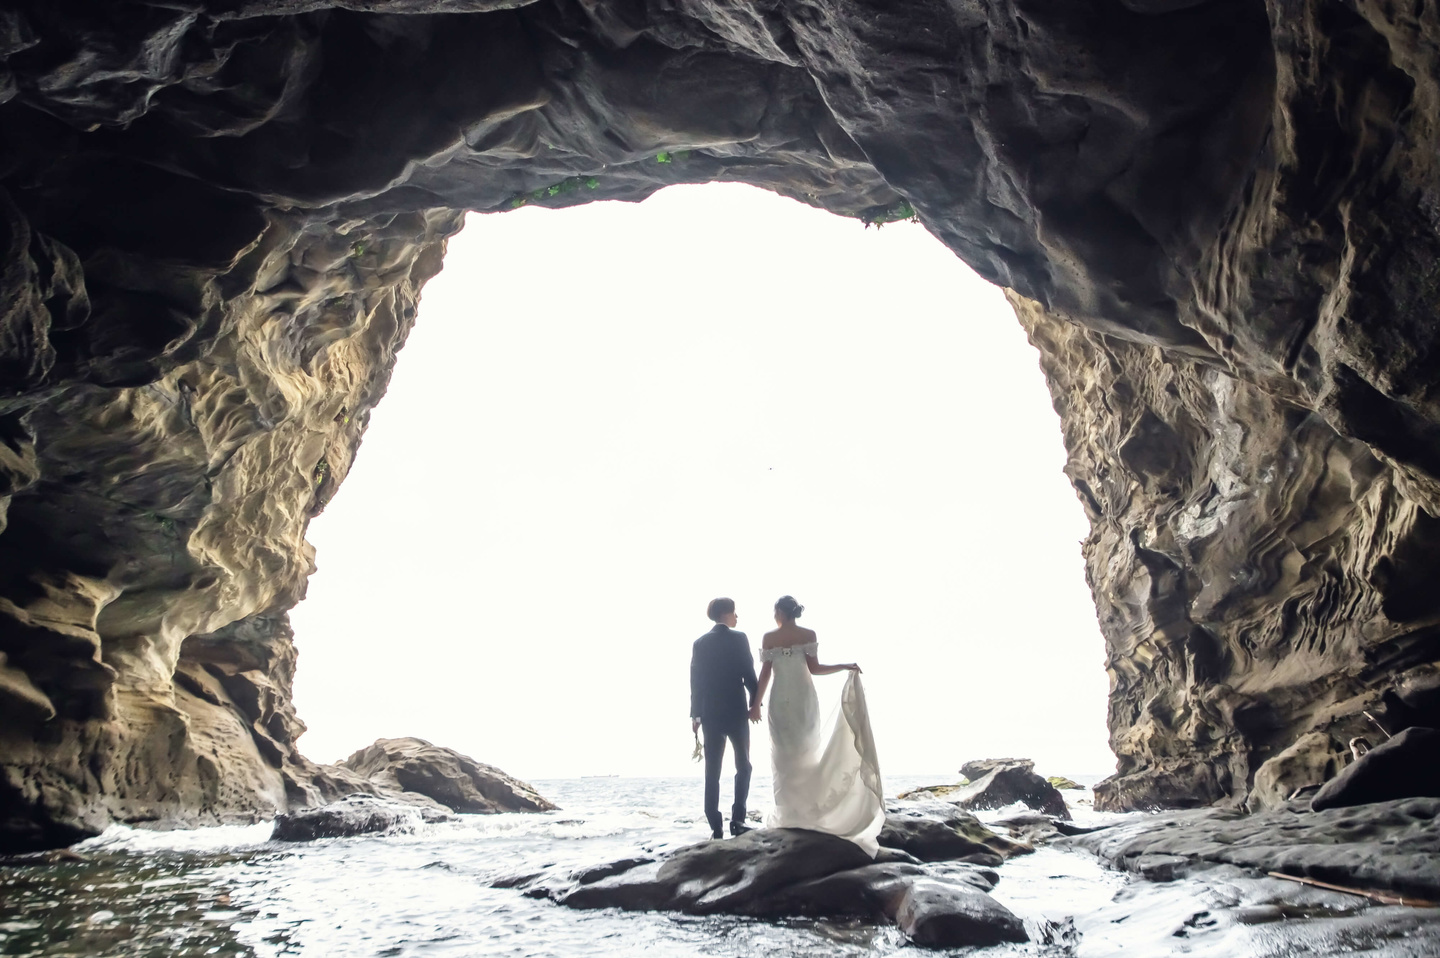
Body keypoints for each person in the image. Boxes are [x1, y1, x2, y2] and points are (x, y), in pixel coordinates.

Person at [749, 595, 884, 856]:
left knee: (785, 755)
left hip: (780, 699)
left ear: (779, 611)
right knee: (805, 751)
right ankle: (804, 810)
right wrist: (843, 665)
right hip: (803, 698)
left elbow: (765, 674)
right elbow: (815, 668)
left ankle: (791, 812)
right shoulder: (807, 633)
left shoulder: (769, 638)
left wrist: (756, 703)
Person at [690, 597, 760, 839]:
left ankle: (715, 825)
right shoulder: (739, 638)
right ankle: (738, 820)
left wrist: (695, 714)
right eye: (734, 613)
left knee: (713, 770)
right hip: (736, 710)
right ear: (726, 614)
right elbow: (749, 672)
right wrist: (756, 703)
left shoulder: (700, 643)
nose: (737, 617)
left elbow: (695, 682)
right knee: (744, 765)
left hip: (710, 713)